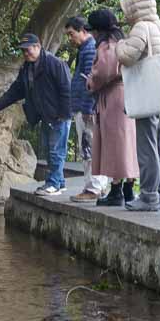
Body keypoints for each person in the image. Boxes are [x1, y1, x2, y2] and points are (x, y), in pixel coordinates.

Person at [0, 33, 72, 196]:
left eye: (28, 49)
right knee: (49, 150)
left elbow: (66, 89)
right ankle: (59, 182)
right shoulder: (27, 68)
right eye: (23, 51)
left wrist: (64, 114)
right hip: (45, 116)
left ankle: (53, 184)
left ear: (38, 46)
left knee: (56, 151)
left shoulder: (54, 63)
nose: (25, 53)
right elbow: (17, 90)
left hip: (58, 116)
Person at [116, 0, 160, 212]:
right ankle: (159, 193)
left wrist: (120, 44)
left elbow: (127, 56)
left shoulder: (141, 27)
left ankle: (148, 195)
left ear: (134, 6)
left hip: (147, 95)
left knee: (146, 145)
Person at [85, 9, 139, 206]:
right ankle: (128, 188)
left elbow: (104, 72)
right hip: (126, 95)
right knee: (128, 142)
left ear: (98, 30)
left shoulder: (108, 46)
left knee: (116, 143)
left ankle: (116, 191)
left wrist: (90, 81)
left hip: (114, 97)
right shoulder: (123, 42)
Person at [64, 16, 110, 203]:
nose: (69, 38)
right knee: (89, 147)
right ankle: (95, 186)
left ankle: (94, 188)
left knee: (89, 147)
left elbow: (92, 81)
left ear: (83, 30)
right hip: (83, 107)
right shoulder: (85, 49)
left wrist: (87, 108)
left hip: (87, 109)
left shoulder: (90, 49)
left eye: (71, 34)